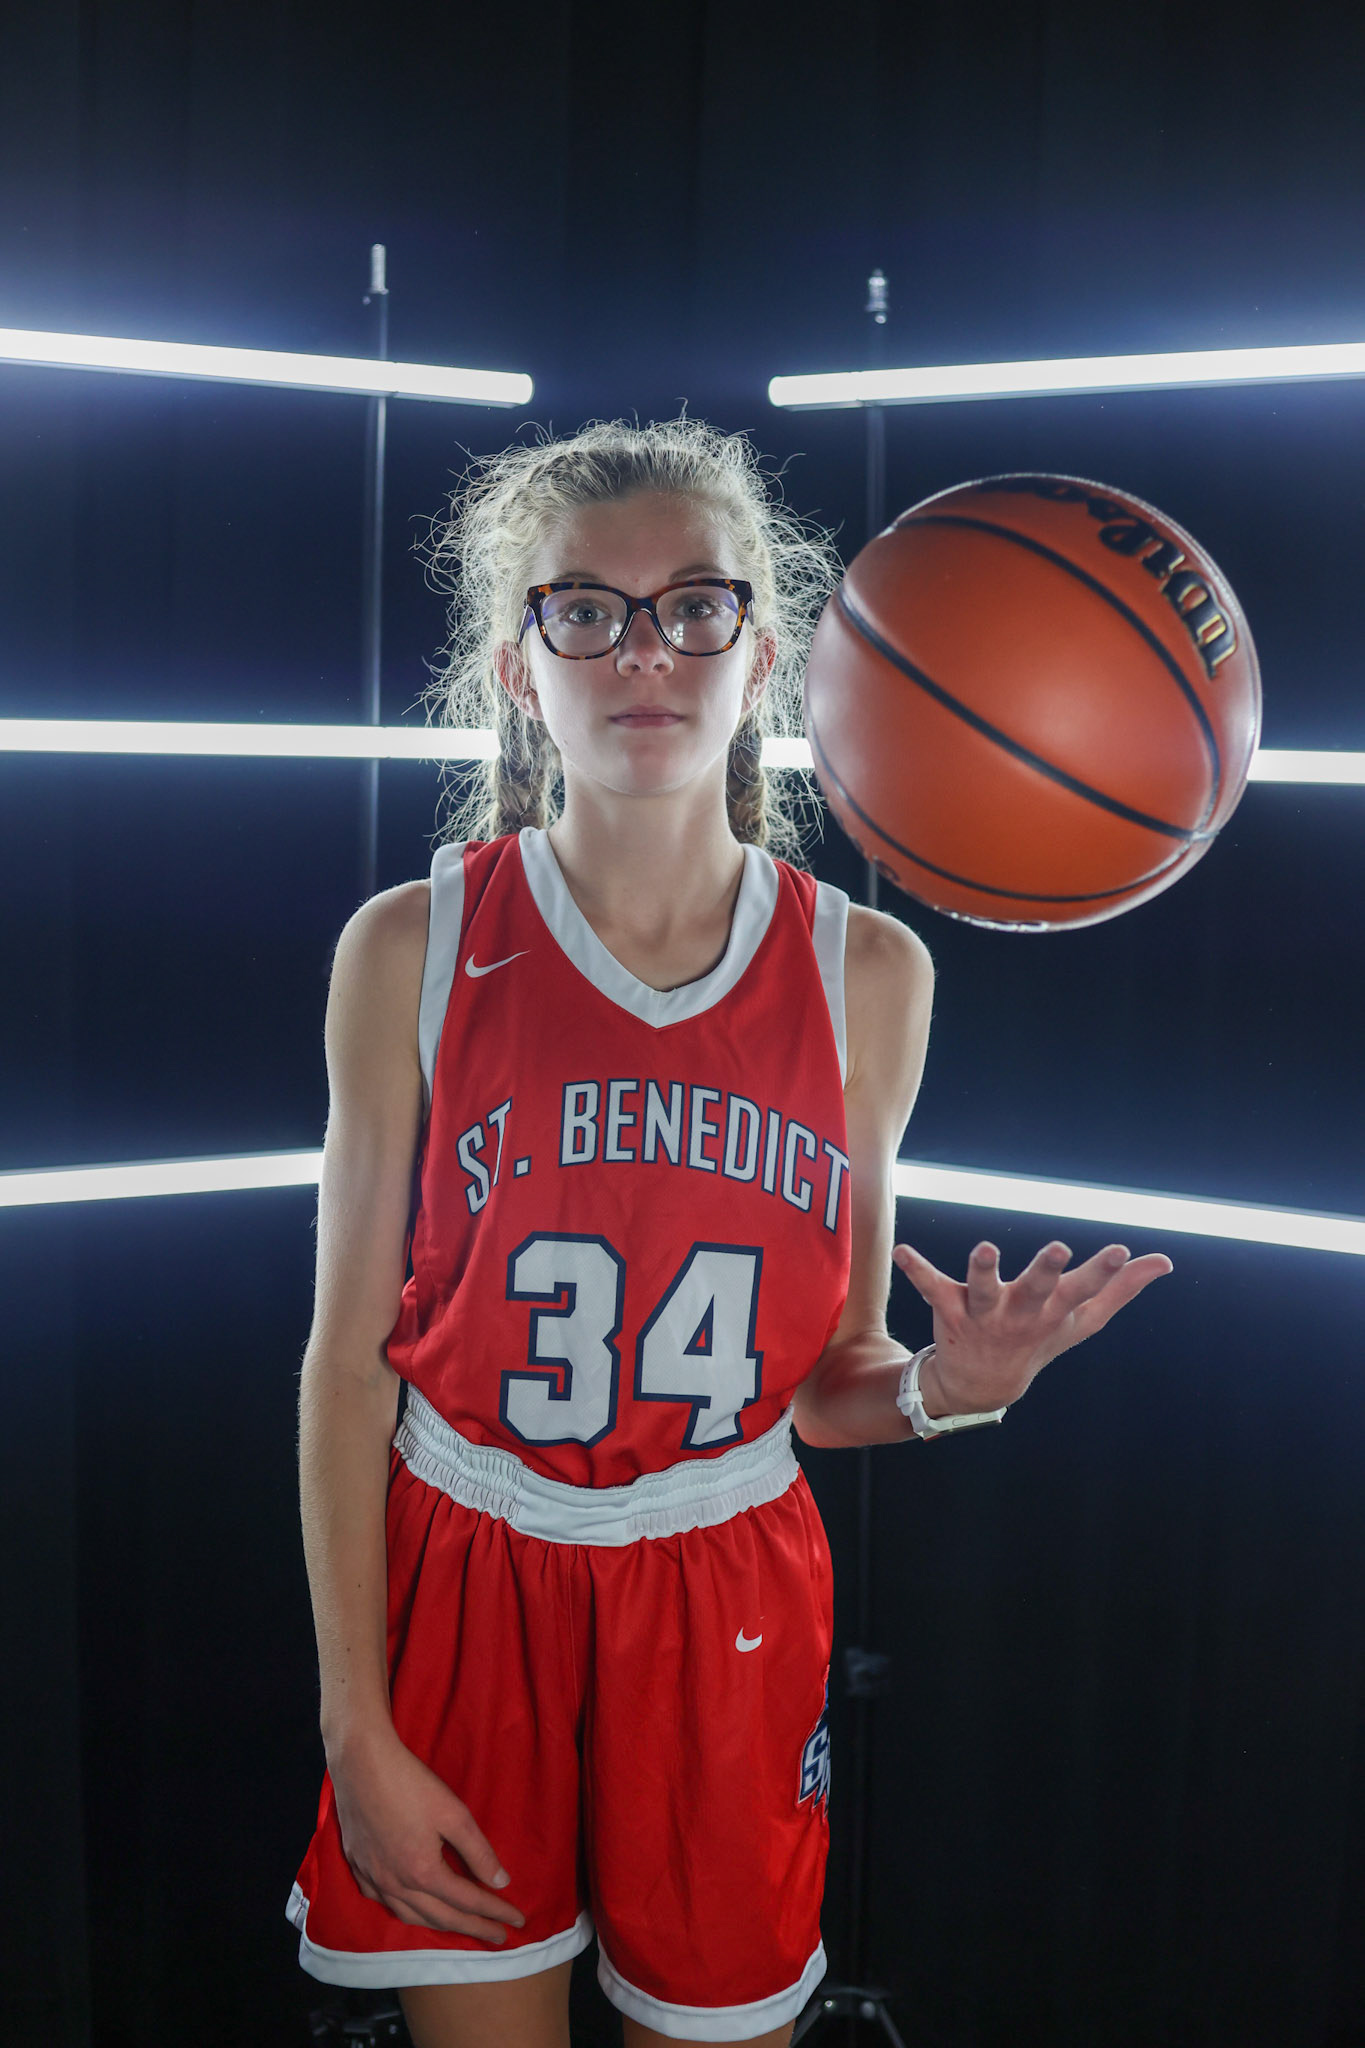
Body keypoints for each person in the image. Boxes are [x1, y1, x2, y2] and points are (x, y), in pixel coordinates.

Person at [286, 416, 1173, 2048]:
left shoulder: (868, 977)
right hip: (468, 1562)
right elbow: (348, 1370)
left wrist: (942, 1388)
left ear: (762, 654)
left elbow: (827, 1383)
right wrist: (357, 1721)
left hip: (726, 1581)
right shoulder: (410, 945)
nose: (646, 651)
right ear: (516, 660)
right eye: (587, 610)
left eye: (696, 606)